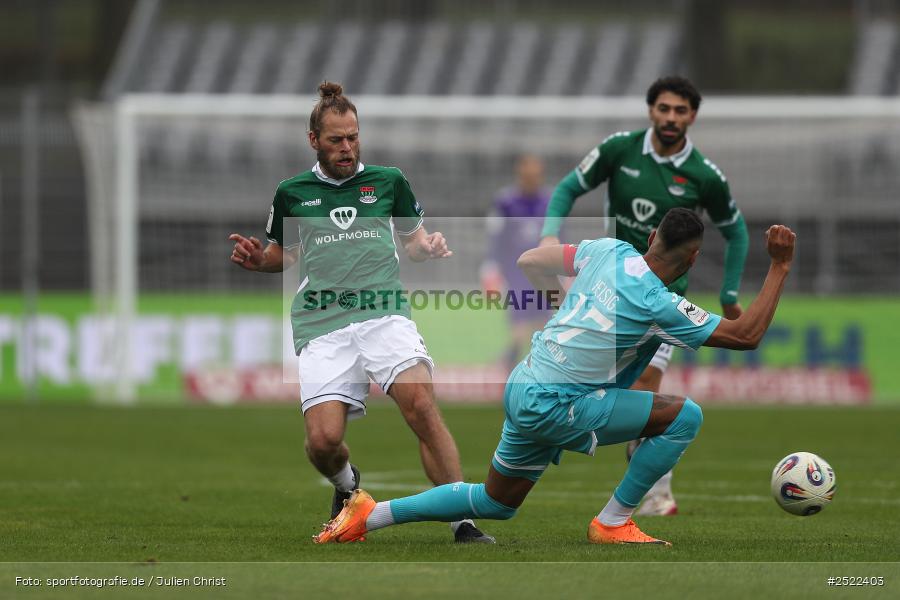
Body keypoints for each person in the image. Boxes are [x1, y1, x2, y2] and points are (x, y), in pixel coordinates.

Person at [314, 209, 795, 546]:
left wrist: (558, 303)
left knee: (496, 502)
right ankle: (613, 523)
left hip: (525, 383)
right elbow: (747, 334)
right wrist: (778, 266)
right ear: (691, 261)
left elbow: (528, 261)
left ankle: (368, 514)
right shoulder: (661, 305)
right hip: (557, 403)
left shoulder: (607, 250)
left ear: (652, 238)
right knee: (684, 416)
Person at [228, 82, 493, 543]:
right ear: (314, 140)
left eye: (353, 136)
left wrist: (427, 247)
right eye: (336, 139)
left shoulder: (389, 181)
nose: (347, 147)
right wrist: (259, 260)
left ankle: (461, 520)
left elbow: (413, 243)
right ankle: (348, 487)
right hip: (321, 323)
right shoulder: (292, 192)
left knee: (422, 408)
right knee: (323, 443)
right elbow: (284, 255)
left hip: (384, 313)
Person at [539, 76, 749, 516]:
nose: (671, 117)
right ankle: (549, 439)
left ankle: (652, 493)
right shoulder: (619, 149)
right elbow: (567, 188)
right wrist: (548, 237)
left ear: (693, 116)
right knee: (581, 380)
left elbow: (737, 232)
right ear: (651, 110)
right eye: (664, 108)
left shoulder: (705, 175)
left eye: (681, 110)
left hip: (661, 302)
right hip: (607, 290)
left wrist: (729, 293)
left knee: (646, 385)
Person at [480, 155, 554, 371]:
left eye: (536, 176)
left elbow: (559, 233)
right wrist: (491, 266)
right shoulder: (505, 202)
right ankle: (512, 364)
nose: (532, 180)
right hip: (515, 270)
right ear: (520, 175)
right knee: (520, 320)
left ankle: (536, 365)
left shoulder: (549, 201)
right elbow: (495, 236)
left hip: (542, 270)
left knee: (543, 320)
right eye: (527, 176)